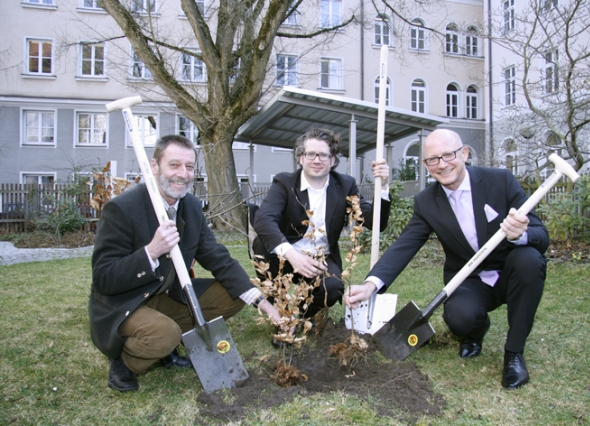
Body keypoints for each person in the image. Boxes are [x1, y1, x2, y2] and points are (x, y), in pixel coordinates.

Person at [344, 129, 548, 389]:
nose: (442, 164)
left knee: (529, 259)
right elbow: (405, 245)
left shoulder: (500, 181)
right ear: (426, 165)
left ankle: (514, 353)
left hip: (512, 271)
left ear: (464, 153)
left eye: (448, 155)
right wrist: (371, 285)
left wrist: (521, 234)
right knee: (460, 319)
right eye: (433, 159)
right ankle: (474, 331)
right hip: (468, 278)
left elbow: (542, 236)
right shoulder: (427, 202)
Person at [89, 134, 280, 392]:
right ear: (155, 167)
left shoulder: (189, 206)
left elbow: (217, 257)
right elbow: (103, 277)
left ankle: (163, 347)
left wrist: (262, 302)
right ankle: (126, 363)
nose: (183, 174)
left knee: (234, 295)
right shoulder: (122, 209)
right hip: (126, 302)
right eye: (174, 165)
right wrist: (150, 252)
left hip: (166, 295)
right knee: (164, 334)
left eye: (189, 167)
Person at [252, 127, 392, 344]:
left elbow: (376, 223)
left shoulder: (345, 185)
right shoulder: (284, 183)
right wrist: (292, 255)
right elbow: (263, 219)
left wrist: (383, 187)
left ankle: (300, 315)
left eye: (323, 155)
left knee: (334, 287)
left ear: (333, 159)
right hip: (285, 257)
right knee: (264, 247)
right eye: (310, 154)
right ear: (300, 158)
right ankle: (281, 315)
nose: (316, 160)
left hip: (321, 257)